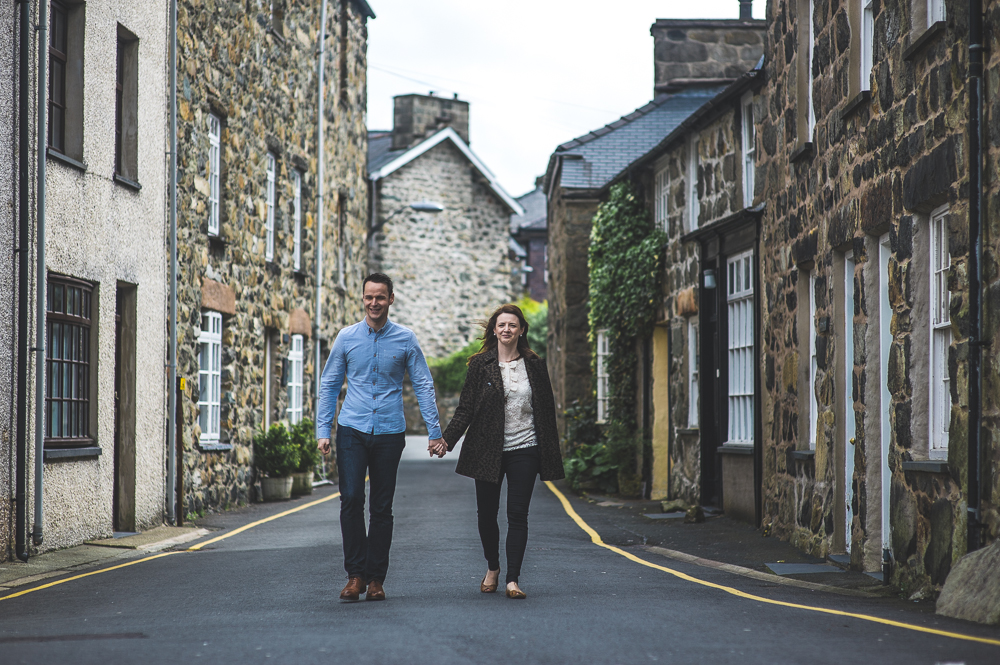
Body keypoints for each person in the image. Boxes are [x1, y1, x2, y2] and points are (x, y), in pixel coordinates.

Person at [317, 273, 447, 602]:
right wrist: (323, 430)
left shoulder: (406, 339)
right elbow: (329, 384)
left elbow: (423, 384)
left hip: (390, 431)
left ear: (391, 299)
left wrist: (434, 432)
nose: (374, 303)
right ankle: (355, 576)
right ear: (362, 299)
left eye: (380, 297)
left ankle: (376, 579)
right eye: (369, 297)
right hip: (352, 428)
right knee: (351, 498)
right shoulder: (346, 338)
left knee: (381, 506)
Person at [435, 304, 564, 599]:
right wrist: (446, 440)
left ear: (521, 330)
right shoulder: (480, 365)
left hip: (525, 447)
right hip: (486, 448)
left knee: (517, 514)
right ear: (494, 330)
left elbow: (546, 411)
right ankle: (492, 567)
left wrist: (549, 453)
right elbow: (465, 408)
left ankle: (512, 579)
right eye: (502, 325)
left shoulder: (535, 365)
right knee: (486, 514)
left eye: (513, 325)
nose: (507, 329)